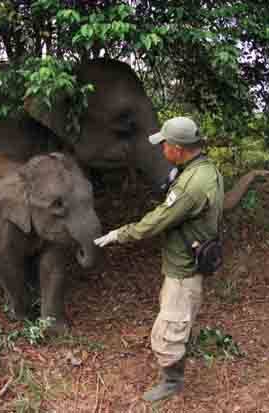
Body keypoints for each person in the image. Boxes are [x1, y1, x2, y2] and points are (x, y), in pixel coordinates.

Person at [94, 116, 224, 402]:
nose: (161, 148)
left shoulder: (191, 185)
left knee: (172, 324)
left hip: (184, 267)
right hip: (187, 258)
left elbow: (158, 221)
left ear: (178, 148)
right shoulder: (202, 168)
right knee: (180, 314)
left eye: (164, 144)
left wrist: (120, 234)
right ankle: (176, 362)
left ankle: (172, 381)